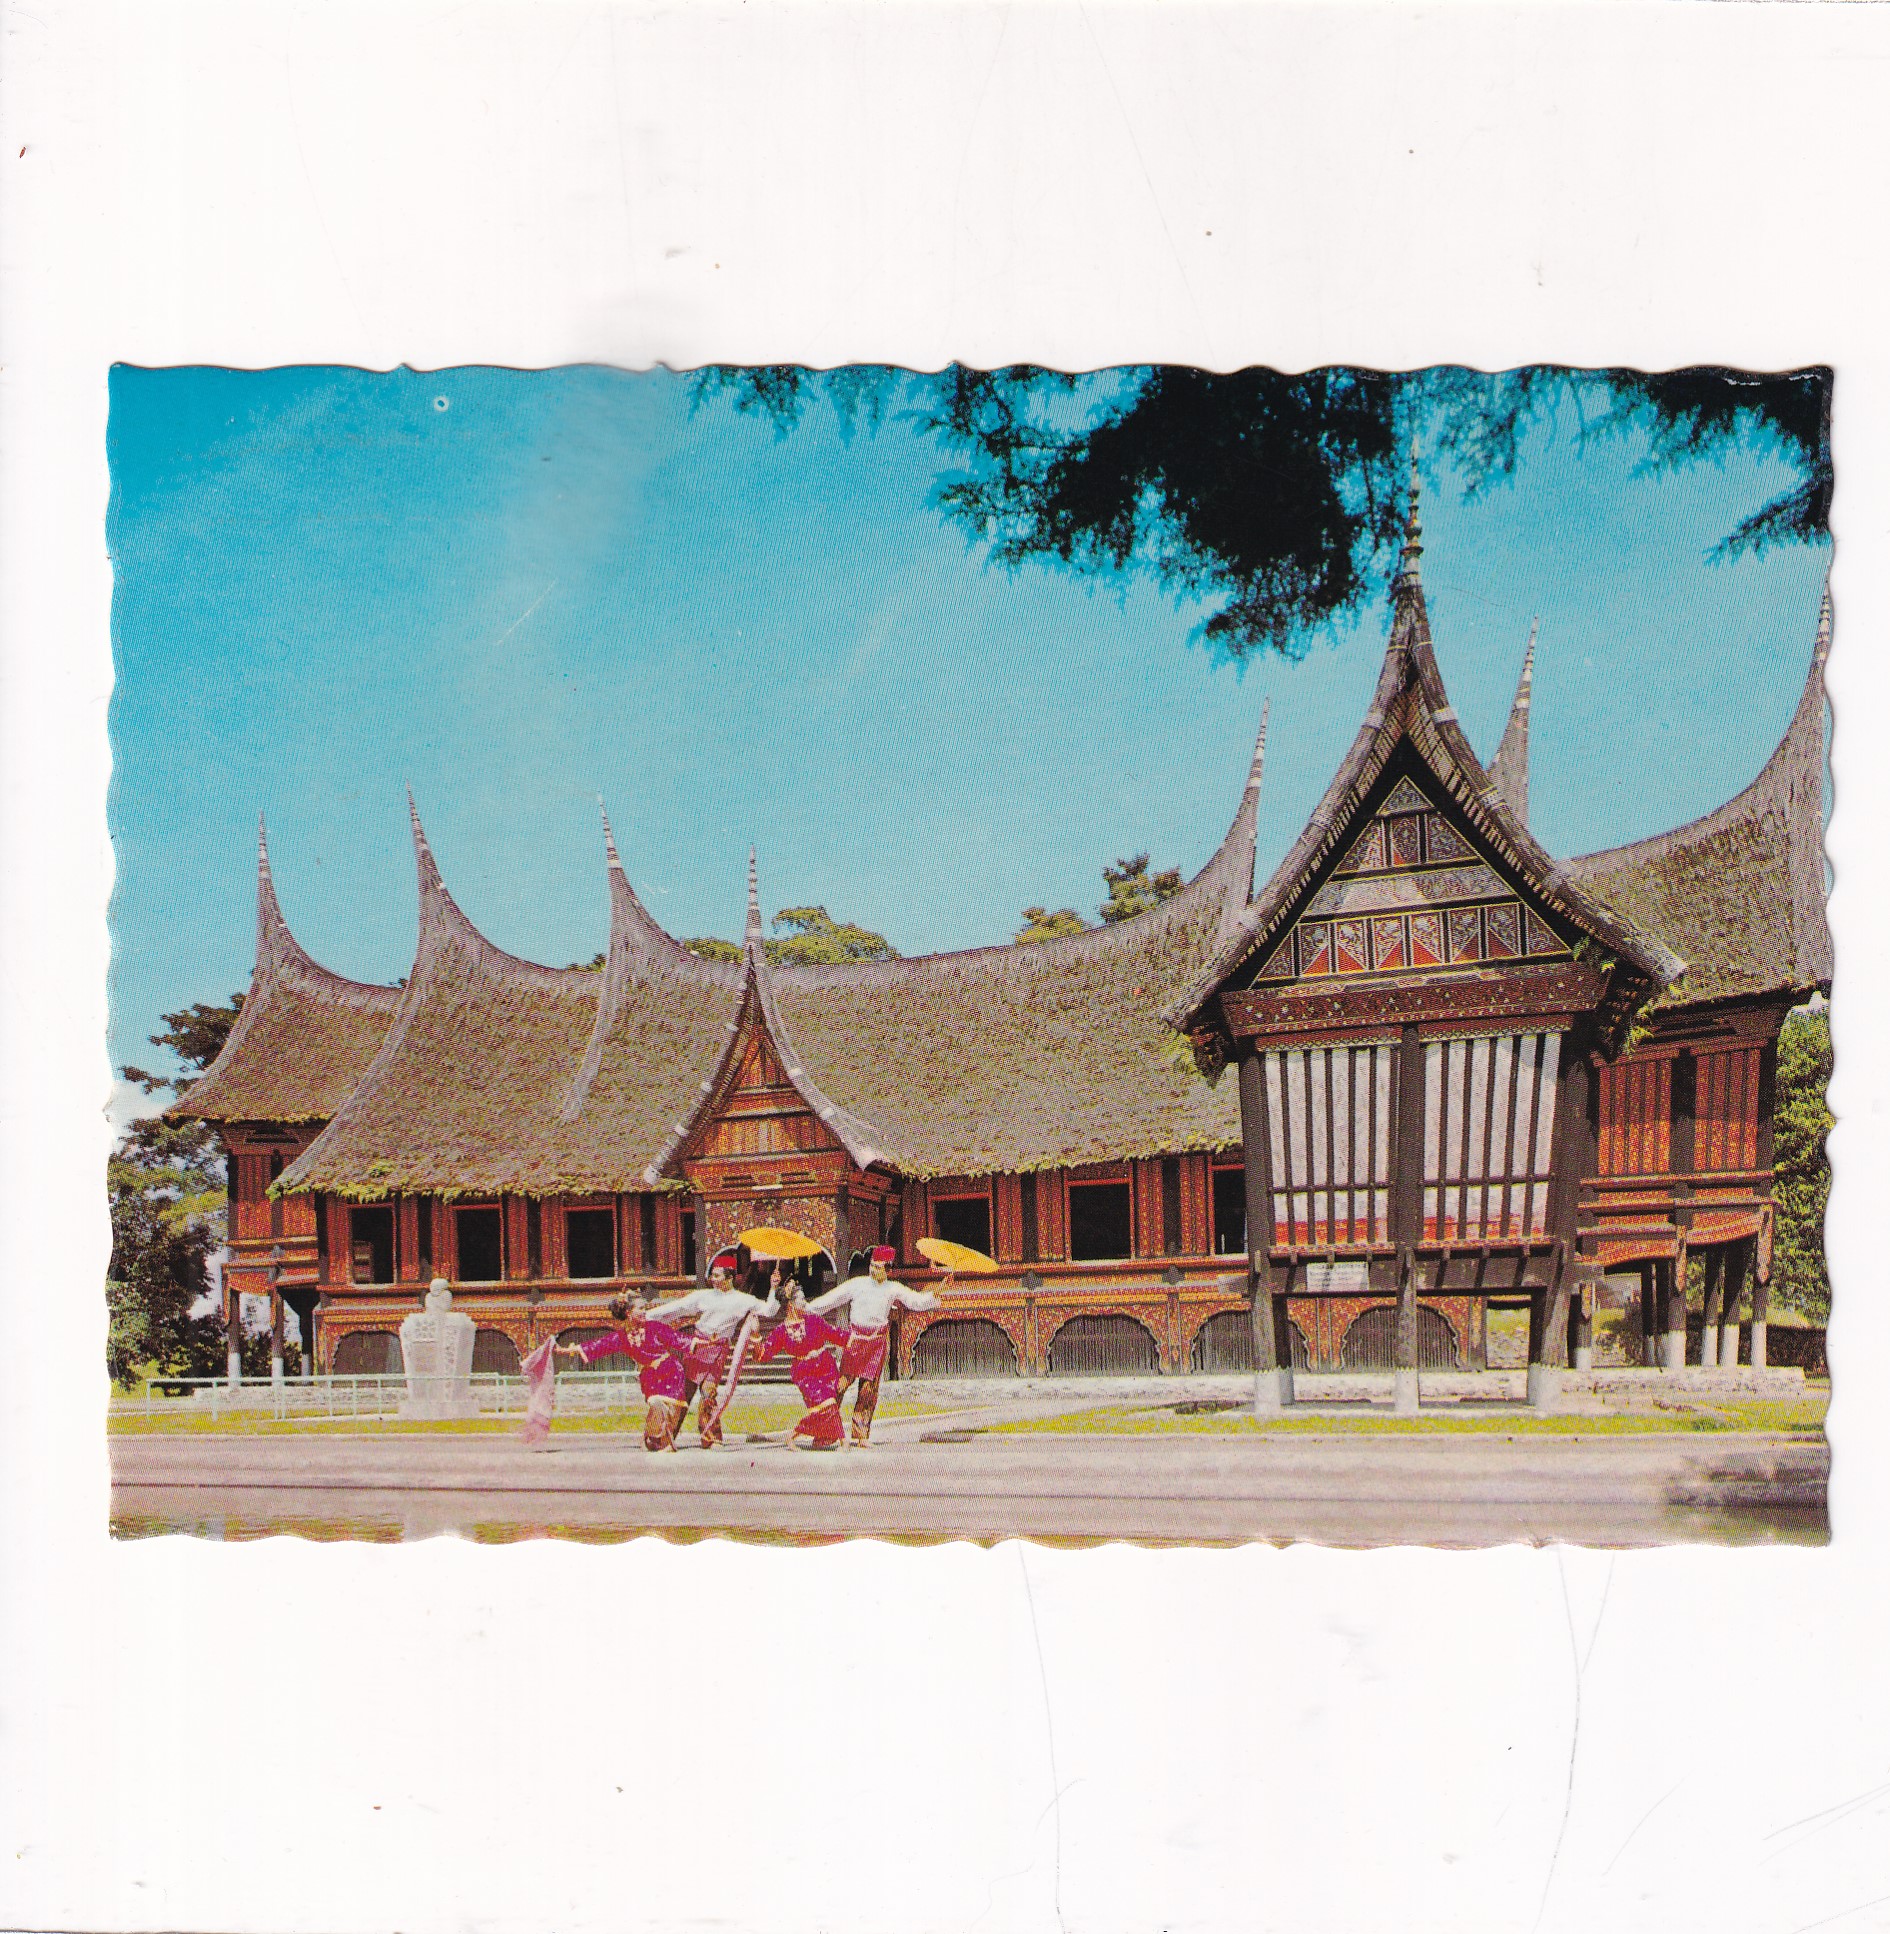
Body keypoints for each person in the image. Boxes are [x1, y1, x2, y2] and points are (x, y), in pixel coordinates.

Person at [809, 1243, 944, 1444]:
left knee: (868, 1390)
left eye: (878, 1267)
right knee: (840, 1385)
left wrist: (935, 1295)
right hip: (855, 1341)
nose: (873, 1270)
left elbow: (916, 1301)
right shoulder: (857, 1284)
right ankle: (825, 1433)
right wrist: (806, 1310)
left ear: (888, 1269)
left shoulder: (893, 1288)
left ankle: (861, 1435)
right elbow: (831, 1299)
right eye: (872, 1265)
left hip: (877, 1342)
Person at [645, 1258, 780, 1447]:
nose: (713, 1279)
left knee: (709, 1394)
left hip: (718, 1350)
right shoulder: (703, 1296)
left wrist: (773, 1288)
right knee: (683, 1393)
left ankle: (711, 1438)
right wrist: (647, 1316)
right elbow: (676, 1308)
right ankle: (662, 1436)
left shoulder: (743, 1300)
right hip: (697, 1348)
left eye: (717, 1276)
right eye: (712, 1275)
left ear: (729, 1277)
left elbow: (769, 1311)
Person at [554, 1293, 690, 1451]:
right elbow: (599, 1345)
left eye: (645, 1308)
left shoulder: (654, 1327)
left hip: (670, 1370)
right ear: (628, 1312)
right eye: (641, 1308)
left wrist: (703, 1342)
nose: (645, 1311)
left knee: (671, 1407)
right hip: (650, 1376)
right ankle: (654, 1438)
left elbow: (677, 1339)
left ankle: (665, 1442)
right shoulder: (622, 1337)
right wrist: (566, 1350)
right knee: (656, 1404)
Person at [753, 1283, 849, 1449]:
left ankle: (794, 1436)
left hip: (825, 1367)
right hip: (804, 1373)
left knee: (828, 1406)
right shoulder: (781, 1331)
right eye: (802, 1299)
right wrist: (755, 1335)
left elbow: (836, 1335)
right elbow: (763, 1354)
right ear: (791, 1304)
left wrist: (858, 1339)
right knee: (828, 1405)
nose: (805, 1303)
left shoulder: (814, 1320)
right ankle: (842, 1441)